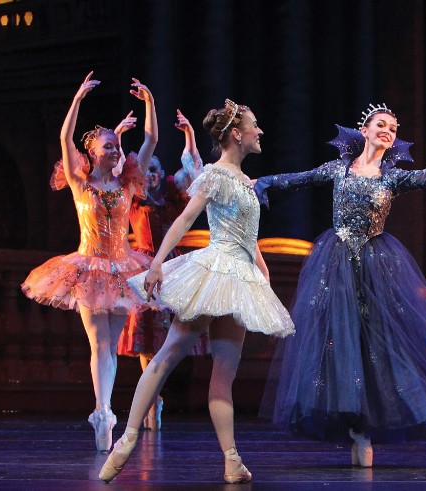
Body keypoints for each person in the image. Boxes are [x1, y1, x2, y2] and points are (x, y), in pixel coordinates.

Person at [256, 105, 426, 466]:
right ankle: (349, 423)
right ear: (362, 130)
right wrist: (264, 182)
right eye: (381, 125)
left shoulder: (391, 176)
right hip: (336, 264)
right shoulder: (339, 170)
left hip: (377, 265)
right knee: (337, 341)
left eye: (393, 128)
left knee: (378, 343)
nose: (387, 131)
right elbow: (298, 178)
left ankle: (366, 427)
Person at [100, 100, 294, 484]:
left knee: (224, 374)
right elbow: (187, 218)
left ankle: (232, 460)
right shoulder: (215, 175)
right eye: (255, 126)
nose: (260, 132)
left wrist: (264, 271)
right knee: (170, 352)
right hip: (214, 269)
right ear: (236, 134)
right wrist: (156, 263)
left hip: (239, 276)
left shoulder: (244, 181)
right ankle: (128, 437)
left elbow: (248, 238)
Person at [21, 72, 157, 451]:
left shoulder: (128, 182)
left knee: (111, 348)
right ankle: (103, 413)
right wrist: (78, 97)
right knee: (99, 345)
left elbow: (151, 140)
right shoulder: (81, 183)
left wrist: (149, 103)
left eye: (117, 146)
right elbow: (66, 139)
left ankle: (106, 411)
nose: (116, 151)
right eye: (109, 146)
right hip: (88, 268)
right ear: (94, 153)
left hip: (122, 268)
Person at [115, 110, 205, 431]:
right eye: (146, 170)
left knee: (172, 334)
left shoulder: (171, 192)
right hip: (142, 264)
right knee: (148, 337)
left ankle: (157, 393)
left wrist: (189, 135)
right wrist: (120, 136)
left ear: (162, 173)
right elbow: (123, 169)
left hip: (173, 265)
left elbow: (194, 171)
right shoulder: (134, 198)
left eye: (155, 170)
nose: (150, 174)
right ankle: (152, 399)